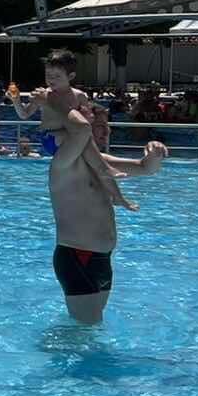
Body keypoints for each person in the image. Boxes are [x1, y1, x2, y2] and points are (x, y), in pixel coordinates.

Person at [49, 104, 168, 324]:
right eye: (99, 125)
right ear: (84, 128)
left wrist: (155, 152)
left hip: (102, 258)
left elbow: (145, 168)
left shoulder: (104, 164)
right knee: (86, 327)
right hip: (78, 257)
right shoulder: (65, 162)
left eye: (107, 125)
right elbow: (72, 130)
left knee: (88, 328)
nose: (106, 131)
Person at [12, 52, 134, 210]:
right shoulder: (43, 95)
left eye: (57, 76)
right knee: (95, 157)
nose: (51, 80)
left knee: (93, 159)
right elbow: (24, 114)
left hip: (74, 138)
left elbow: (87, 119)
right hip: (52, 139)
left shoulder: (79, 96)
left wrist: (87, 116)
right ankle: (106, 169)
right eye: (48, 75)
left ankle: (118, 196)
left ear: (71, 76)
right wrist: (16, 101)